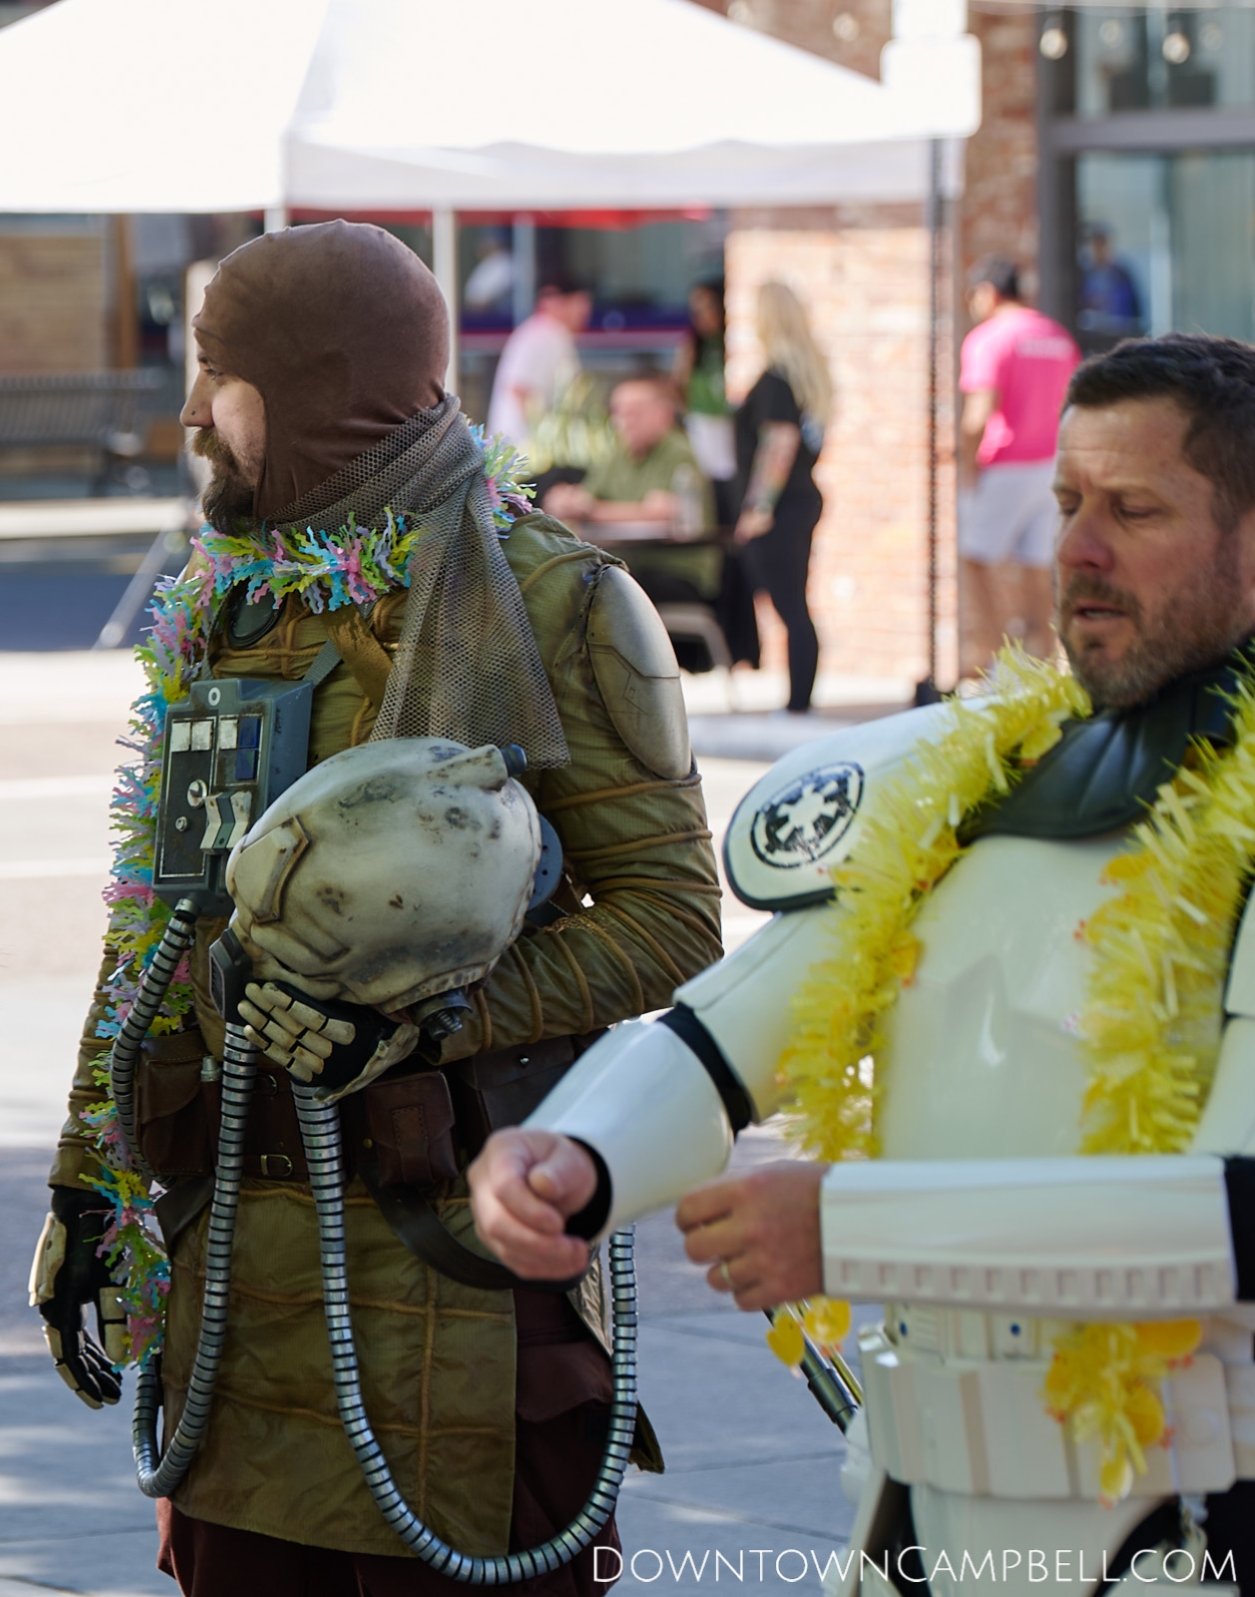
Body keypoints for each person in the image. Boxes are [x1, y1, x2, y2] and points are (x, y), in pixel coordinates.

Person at [469, 332, 1255, 1594]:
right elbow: (728, 1036)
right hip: (915, 1520)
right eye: (1068, 501)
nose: (1078, 549)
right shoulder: (969, 776)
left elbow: (1233, 1214)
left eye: (1136, 509)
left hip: (1191, 1532)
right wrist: (574, 1154)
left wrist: (857, 1229)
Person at [32, 220, 724, 1597]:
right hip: (233, 1283)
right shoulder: (228, 599)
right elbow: (156, 922)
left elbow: (671, 918)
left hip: (454, 1287)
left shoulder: (555, 599)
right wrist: (86, 1176)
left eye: (220, 376)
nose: (192, 414)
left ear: (318, 391)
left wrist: (434, 1017)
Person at [957, 257, 1079, 679]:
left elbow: (978, 414)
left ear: (987, 293)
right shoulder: (1057, 336)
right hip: (1051, 467)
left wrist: (966, 466)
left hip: (1004, 466)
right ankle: (1042, 663)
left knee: (974, 558)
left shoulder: (989, 338)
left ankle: (996, 662)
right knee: (1038, 567)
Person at [732, 282, 831, 715]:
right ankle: (799, 700)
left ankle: (798, 704)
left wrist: (758, 508)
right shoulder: (806, 377)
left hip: (781, 509)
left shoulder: (776, 379)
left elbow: (779, 445)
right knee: (794, 604)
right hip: (801, 501)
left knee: (790, 605)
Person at [542, 375, 708, 533]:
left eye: (635, 413)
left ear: (663, 414)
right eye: (618, 413)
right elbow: (585, 500)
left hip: (669, 553)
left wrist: (595, 511)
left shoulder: (680, 454)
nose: (625, 422)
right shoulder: (617, 455)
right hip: (618, 551)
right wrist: (567, 502)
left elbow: (664, 514)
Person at [486, 274, 591, 449]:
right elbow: (520, 389)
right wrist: (550, 439)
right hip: (524, 449)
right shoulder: (544, 334)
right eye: (581, 305)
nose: (584, 313)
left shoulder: (549, 333)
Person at [673, 280, 737, 513]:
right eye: (696, 311)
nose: (702, 317)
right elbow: (678, 383)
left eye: (708, 308)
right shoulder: (692, 345)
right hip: (701, 423)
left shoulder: (732, 342)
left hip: (728, 423)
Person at [1078, 224, 1144, 350]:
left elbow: (1134, 309)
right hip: (1091, 338)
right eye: (1095, 245)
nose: (1098, 249)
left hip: (1119, 337)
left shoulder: (1122, 274)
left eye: (1102, 244)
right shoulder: (1083, 275)